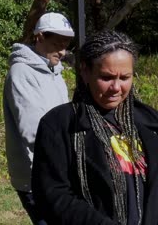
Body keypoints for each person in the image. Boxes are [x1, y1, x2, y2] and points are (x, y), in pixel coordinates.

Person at [32, 30, 158, 224]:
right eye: (106, 78)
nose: (116, 87)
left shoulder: (149, 121)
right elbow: (53, 195)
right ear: (85, 72)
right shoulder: (61, 124)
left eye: (124, 78)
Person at [3, 12, 75, 224]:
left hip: (59, 173)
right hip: (37, 177)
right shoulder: (21, 73)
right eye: (57, 44)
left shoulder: (55, 73)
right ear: (40, 37)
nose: (62, 51)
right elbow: (33, 131)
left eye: (66, 44)